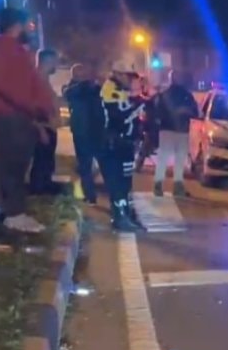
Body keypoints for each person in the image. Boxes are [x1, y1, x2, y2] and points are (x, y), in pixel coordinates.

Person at [0, 8, 54, 234]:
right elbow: (5, 86)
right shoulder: (0, 49)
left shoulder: (16, 49)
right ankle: (13, 214)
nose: (30, 29)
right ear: (16, 25)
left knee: (19, 164)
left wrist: (41, 109)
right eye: (28, 25)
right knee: (12, 165)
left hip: (21, 114)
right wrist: (33, 106)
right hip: (9, 114)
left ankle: (16, 211)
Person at [101, 60, 146, 232]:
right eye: (129, 76)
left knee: (126, 182)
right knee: (118, 183)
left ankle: (127, 214)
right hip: (115, 143)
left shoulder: (121, 90)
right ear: (118, 74)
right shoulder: (110, 90)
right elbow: (119, 116)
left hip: (125, 143)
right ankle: (120, 218)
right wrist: (139, 103)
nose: (131, 80)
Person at [152, 69, 200, 197]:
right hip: (180, 130)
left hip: (167, 130)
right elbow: (195, 112)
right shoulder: (187, 95)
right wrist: (184, 112)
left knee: (164, 159)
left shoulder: (163, 95)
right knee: (179, 160)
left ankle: (159, 185)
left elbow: (156, 113)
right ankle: (176, 187)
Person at [63, 63, 104, 204]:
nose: (84, 76)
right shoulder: (73, 89)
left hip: (95, 130)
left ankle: (106, 193)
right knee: (85, 164)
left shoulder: (94, 88)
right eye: (80, 73)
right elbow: (70, 94)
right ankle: (90, 195)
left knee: (100, 162)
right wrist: (88, 84)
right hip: (82, 131)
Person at [29, 49, 61, 195]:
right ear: (47, 61)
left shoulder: (44, 80)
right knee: (41, 160)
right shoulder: (35, 80)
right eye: (55, 61)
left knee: (47, 161)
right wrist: (41, 129)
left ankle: (45, 186)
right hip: (42, 127)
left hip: (49, 126)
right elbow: (32, 108)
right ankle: (38, 189)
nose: (56, 65)